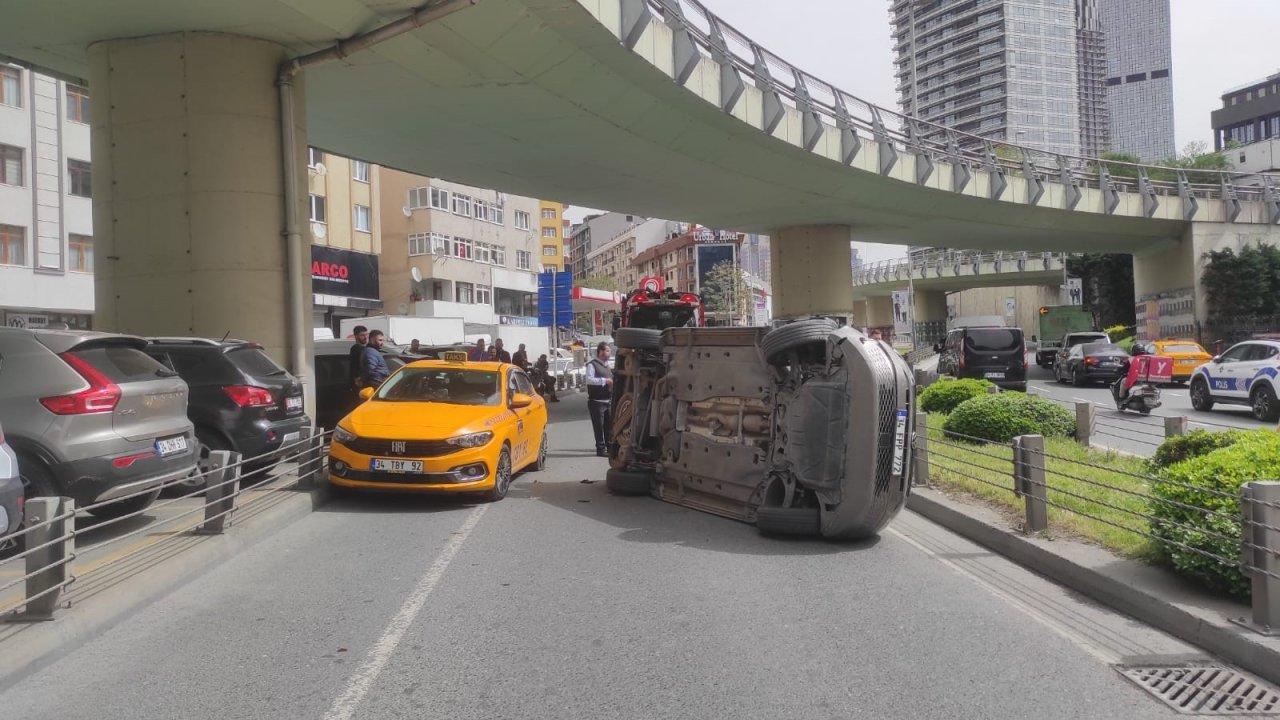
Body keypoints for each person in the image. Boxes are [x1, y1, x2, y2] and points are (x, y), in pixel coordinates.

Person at [585, 342, 613, 457]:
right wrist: (605, 381)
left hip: (607, 401)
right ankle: (600, 449)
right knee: (599, 427)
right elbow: (589, 380)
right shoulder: (592, 365)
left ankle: (609, 448)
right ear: (600, 352)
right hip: (596, 402)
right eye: (607, 350)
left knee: (608, 426)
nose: (609, 353)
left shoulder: (607, 366)